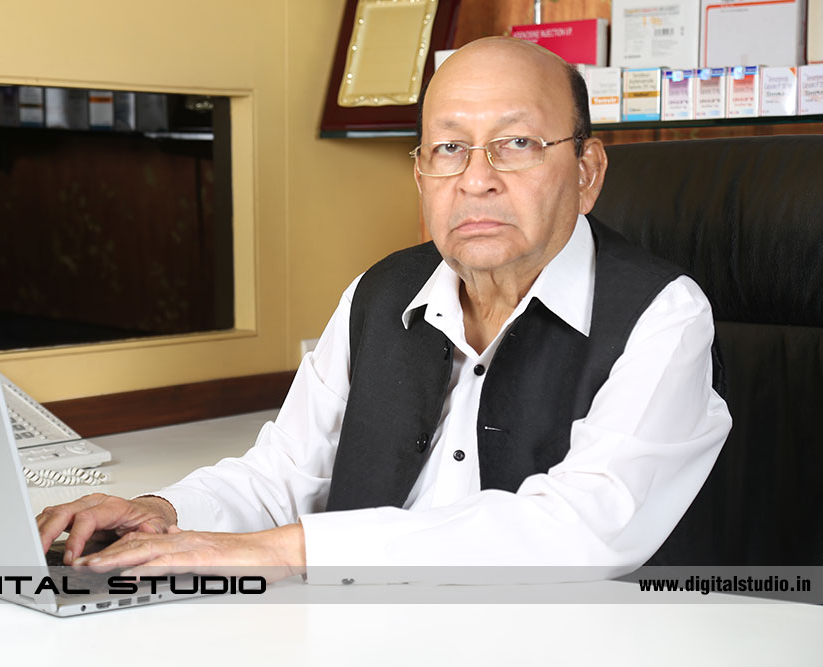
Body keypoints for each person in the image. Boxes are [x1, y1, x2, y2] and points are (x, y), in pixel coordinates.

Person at [36, 37, 731, 584]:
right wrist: (161, 512)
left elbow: (580, 531)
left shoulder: (663, 318)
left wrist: (287, 552)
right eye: (450, 148)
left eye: (517, 144)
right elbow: (282, 475)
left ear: (586, 172)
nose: (477, 178)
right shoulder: (379, 292)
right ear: (422, 174)